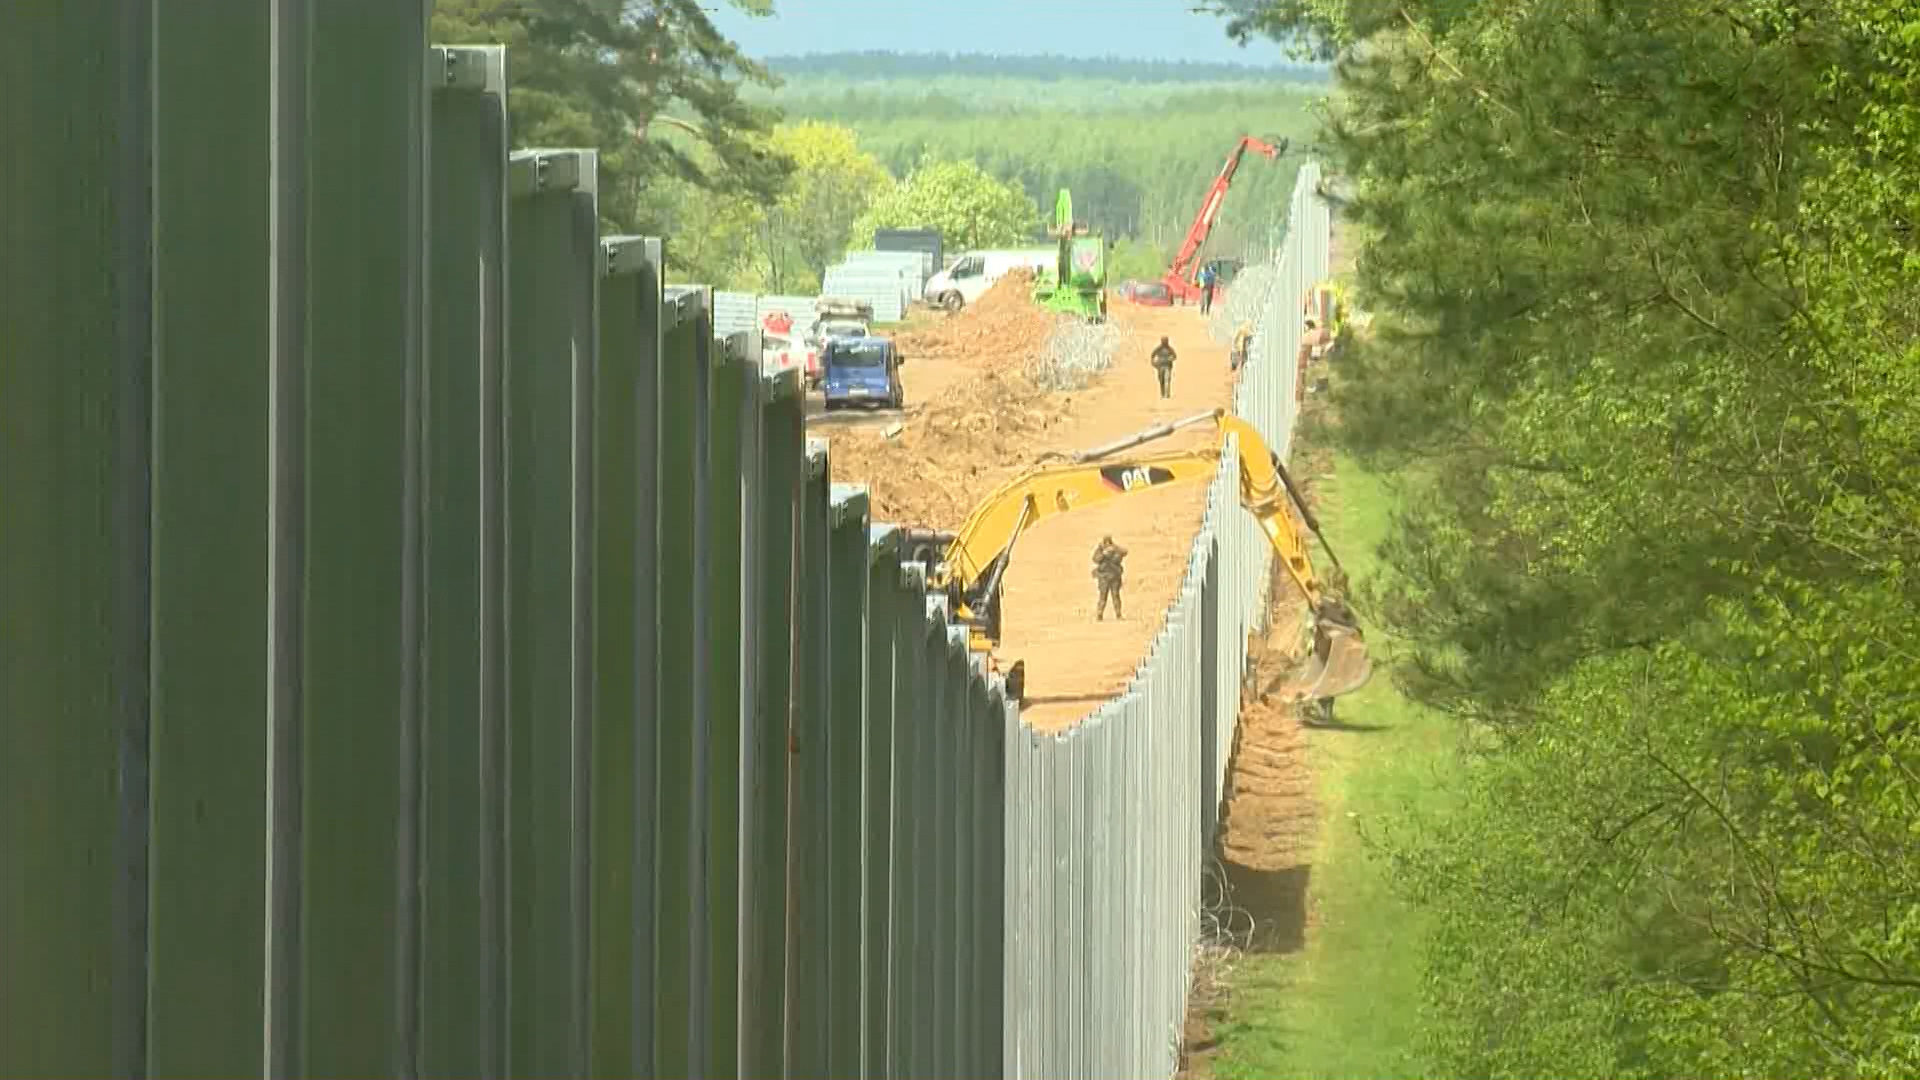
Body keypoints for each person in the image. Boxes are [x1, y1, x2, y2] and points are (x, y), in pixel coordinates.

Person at [1091, 536, 1127, 621]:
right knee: (1103, 597)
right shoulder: (1100, 550)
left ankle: (1118, 614)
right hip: (1104, 577)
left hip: (1114, 576)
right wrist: (1103, 553)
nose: (1107, 544)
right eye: (1106, 542)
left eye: (1109, 542)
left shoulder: (1116, 550)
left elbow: (1124, 552)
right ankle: (1099, 614)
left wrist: (1114, 548)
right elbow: (1095, 559)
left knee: (1116, 596)